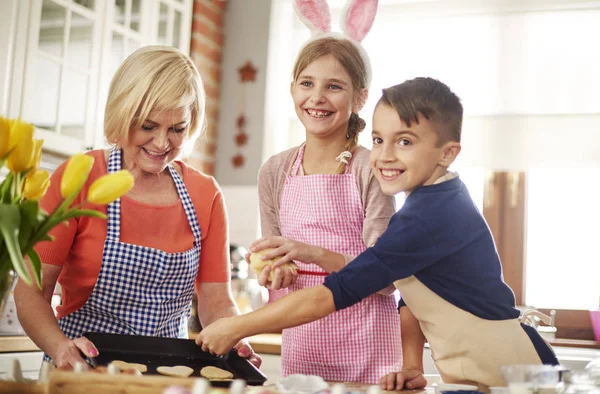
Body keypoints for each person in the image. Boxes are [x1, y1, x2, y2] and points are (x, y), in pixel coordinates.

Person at [196, 77, 558, 391]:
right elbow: (413, 298)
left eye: (405, 142)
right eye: (379, 139)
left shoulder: (430, 216)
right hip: (482, 375)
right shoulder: (431, 200)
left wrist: (238, 326)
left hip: (515, 376)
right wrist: (412, 366)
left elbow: (333, 293)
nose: (384, 155)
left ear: (447, 153)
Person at [14, 46, 260, 369]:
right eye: (148, 126)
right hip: (82, 372)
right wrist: (60, 348)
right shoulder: (80, 178)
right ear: (123, 112)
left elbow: (216, 303)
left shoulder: (206, 195)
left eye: (177, 129)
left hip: (169, 375)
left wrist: (235, 336)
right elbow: (32, 291)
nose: (161, 143)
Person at [244, 0, 402, 384]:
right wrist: (275, 273)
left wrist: (311, 252)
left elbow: (386, 279)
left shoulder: (372, 168)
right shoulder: (275, 171)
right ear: (292, 89)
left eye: (334, 86)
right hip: (304, 344)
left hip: (368, 347)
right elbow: (273, 263)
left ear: (360, 98)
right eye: (307, 83)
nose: (317, 98)